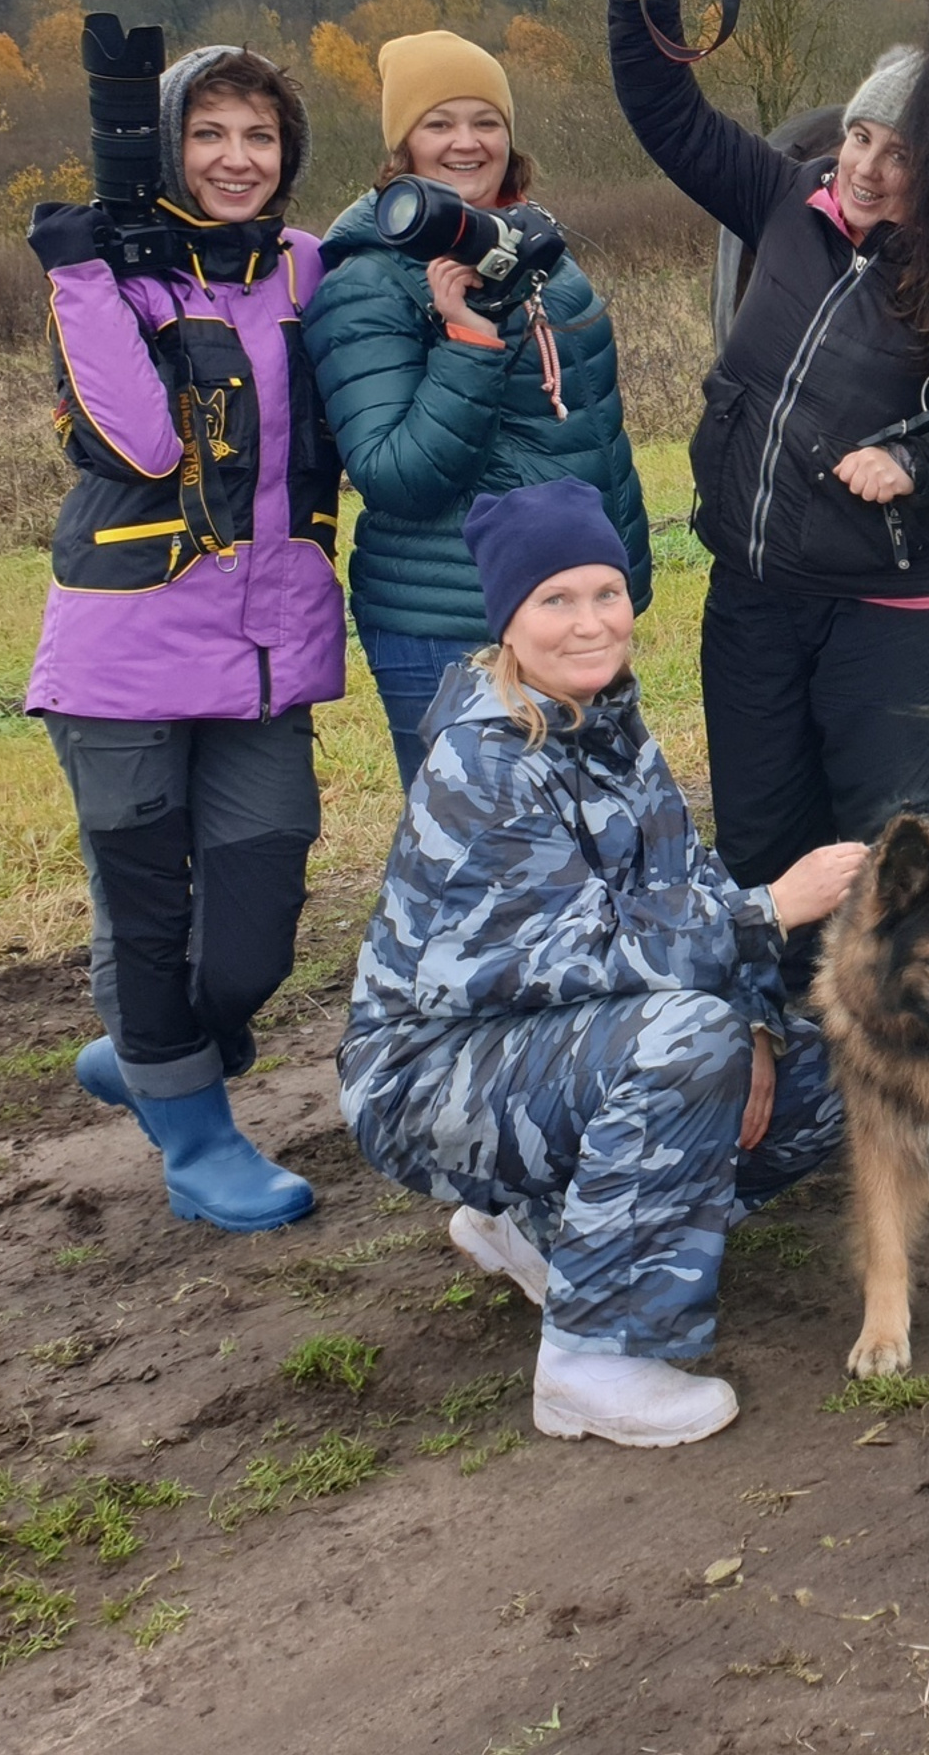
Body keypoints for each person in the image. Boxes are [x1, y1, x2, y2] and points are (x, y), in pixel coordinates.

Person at [339, 479, 861, 1448]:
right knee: (685, 1041)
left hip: (551, 1052)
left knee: (830, 1067)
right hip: (428, 1077)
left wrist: (756, 1021)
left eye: (606, 593)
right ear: (507, 619)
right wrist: (771, 912)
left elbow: (689, 881)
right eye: (556, 599)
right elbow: (576, 956)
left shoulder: (608, 724)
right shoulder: (484, 763)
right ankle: (593, 1358)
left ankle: (536, 1227)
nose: (591, 621)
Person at [606, 0, 929, 985]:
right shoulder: (782, 198)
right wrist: (643, 2)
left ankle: (900, 1042)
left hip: (886, 612)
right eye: (860, 136)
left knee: (891, 851)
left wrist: (921, 463)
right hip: (754, 594)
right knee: (763, 837)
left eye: (899, 154)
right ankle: (775, 1030)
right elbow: (668, 116)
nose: (866, 168)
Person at [27, 45, 342, 1231]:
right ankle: (199, 1139)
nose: (235, 158)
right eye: (208, 133)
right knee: (148, 917)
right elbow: (142, 446)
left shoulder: (307, 265)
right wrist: (85, 271)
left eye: (258, 135)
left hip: (268, 654)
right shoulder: (106, 276)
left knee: (253, 939)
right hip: (123, 657)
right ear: (168, 148)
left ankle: (153, 1053)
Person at [304, 30, 649, 786]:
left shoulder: (537, 256)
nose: (467, 142)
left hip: (570, 609)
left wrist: (612, 585)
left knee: (595, 825)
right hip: (453, 623)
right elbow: (395, 475)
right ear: (403, 147)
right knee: (479, 844)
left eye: (485, 121)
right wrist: (467, 340)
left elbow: (588, 427)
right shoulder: (366, 283)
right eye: (439, 124)